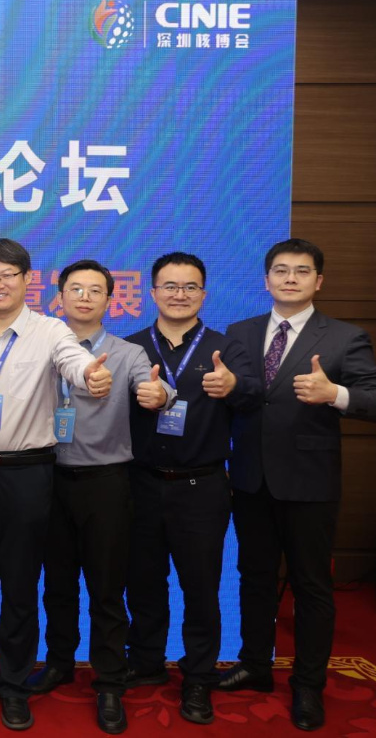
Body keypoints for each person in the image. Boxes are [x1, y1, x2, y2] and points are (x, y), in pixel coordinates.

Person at [0, 238, 112, 731]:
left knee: (18, 583)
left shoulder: (50, 330)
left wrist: (90, 376)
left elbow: (74, 362)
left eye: (8, 275)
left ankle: (13, 683)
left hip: (26, 473)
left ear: (27, 279)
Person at [219, 239, 376, 732]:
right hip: (250, 477)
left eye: (302, 271)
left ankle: (308, 685)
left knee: (311, 585)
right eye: (281, 270)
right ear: (265, 279)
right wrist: (228, 390)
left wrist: (336, 393)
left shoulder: (345, 337)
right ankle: (255, 665)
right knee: (254, 577)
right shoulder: (240, 332)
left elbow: (372, 397)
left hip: (310, 482)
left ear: (318, 281)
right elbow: (246, 396)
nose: (290, 278)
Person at [26, 260, 172, 735]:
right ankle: (59, 663)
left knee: (107, 589)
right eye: (75, 289)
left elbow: (155, 388)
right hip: (46, 477)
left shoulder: (127, 353)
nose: (84, 297)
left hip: (106, 483)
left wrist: (159, 395)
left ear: (111, 300)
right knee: (57, 584)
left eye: (95, 290)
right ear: (59, 297)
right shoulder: (39, 347)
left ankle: (109, 681)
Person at [123, 251, 260, 725]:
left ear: (203, 293)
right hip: (140, 483)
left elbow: (255, 396)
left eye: (189, 287)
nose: (179, 295)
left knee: (200, 587)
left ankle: (198, 676)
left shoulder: (226, 348)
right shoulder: (132, 348)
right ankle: (146, 660)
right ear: (152, 292)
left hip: (201, 487)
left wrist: (233, 386)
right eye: (170, 286)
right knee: (142, 581)